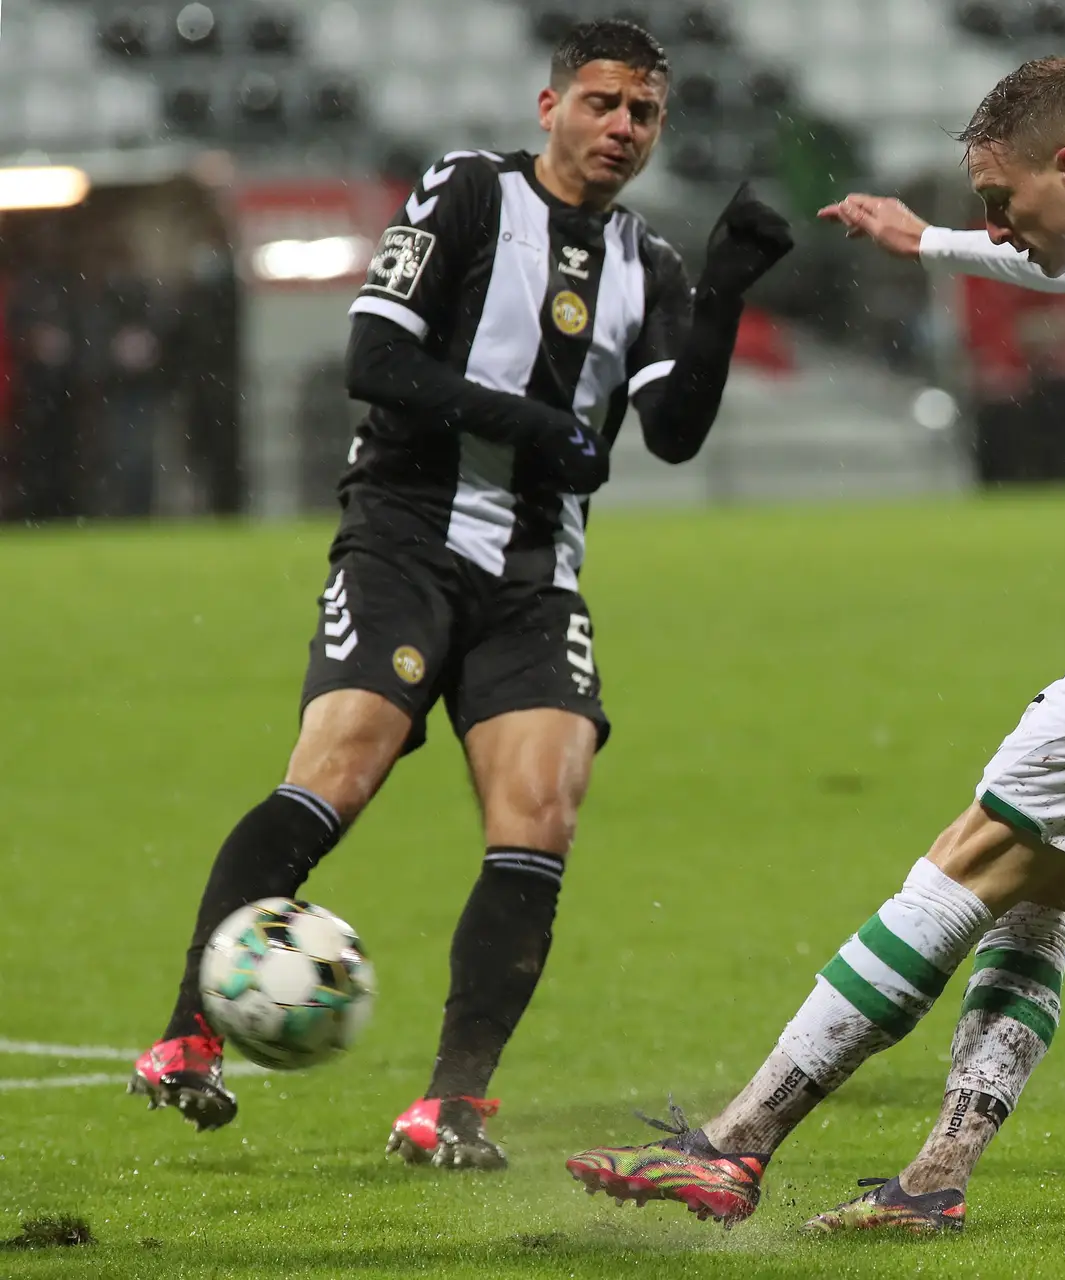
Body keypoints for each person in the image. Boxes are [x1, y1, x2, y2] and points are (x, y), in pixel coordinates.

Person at [563, 55, 1065, 1233]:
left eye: (1000, 200)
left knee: (958, 869)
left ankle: (735, 1144)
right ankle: (935, 1174)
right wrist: (930, 241)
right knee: (1040, 889)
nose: (998, 224)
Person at [128, 18, 793, 1169]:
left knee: (542, 811)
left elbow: (675, 431)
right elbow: (376, 359)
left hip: (535, 574)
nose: (621, 127)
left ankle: (452, 1103)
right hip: (404, 538)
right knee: (340, 765)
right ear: (551, 106)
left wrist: (725, 290)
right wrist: (532, 423)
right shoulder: (471, 193)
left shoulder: (648, 261)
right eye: (601, 102)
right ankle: (189, 1031)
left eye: (643, 112)